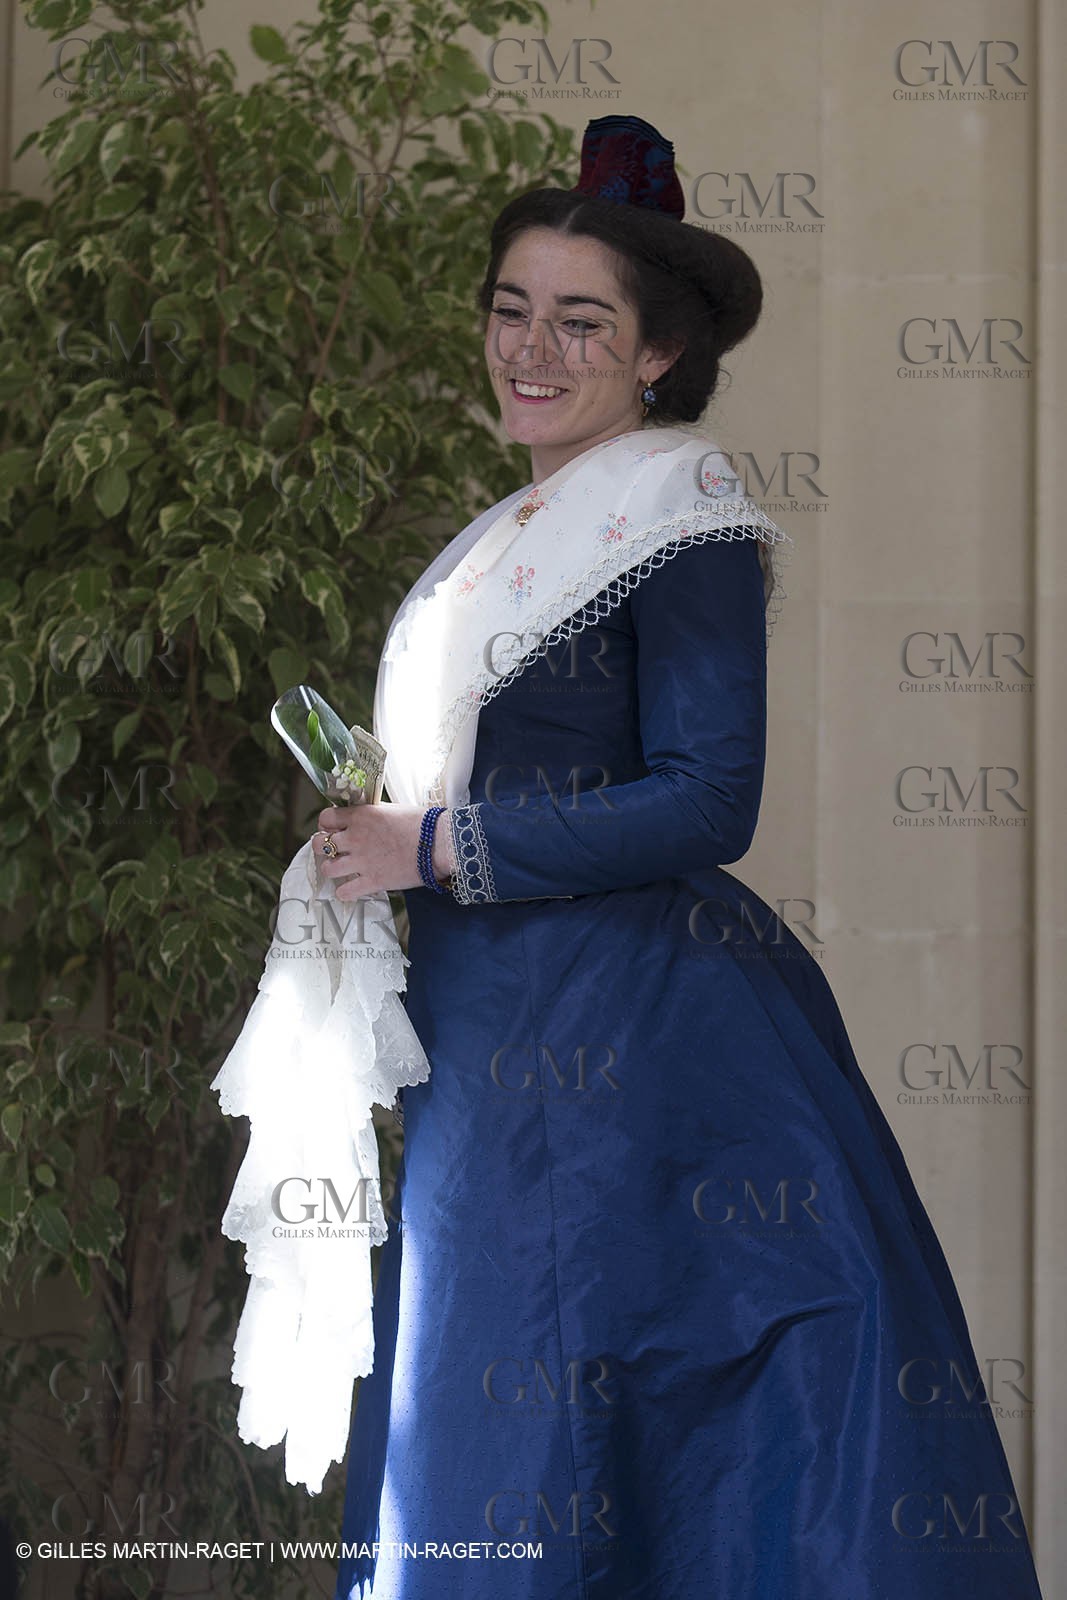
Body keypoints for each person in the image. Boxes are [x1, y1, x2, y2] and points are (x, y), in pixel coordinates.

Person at [317, 117, 1043, 1600]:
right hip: (498, 1029)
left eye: (582, 321)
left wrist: (433, 843)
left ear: (659, 353)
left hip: (627, 1044)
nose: (533, 349)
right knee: (499, 1389)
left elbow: (712, 799)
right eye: (512, 309)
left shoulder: (682, 516)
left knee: (572, 1404)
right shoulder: (515, 528)